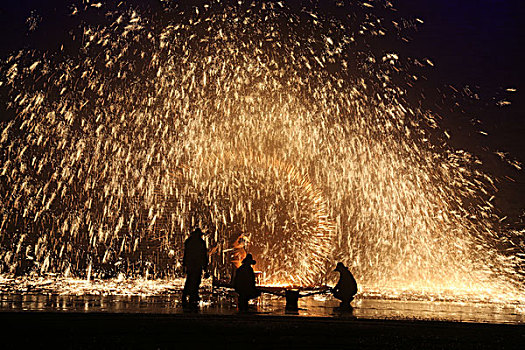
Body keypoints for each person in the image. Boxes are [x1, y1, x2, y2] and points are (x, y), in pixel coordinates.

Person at [182, 227, 208, 306]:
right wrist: (205, 266)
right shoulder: (201, 242)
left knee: (190, 279)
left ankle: (188, 294)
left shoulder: (189, 241)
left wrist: (185, 264)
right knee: (196, 280)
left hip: (191, 264)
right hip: (197, 264)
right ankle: (193, 295)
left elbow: (186, 254)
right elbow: (203, 255)